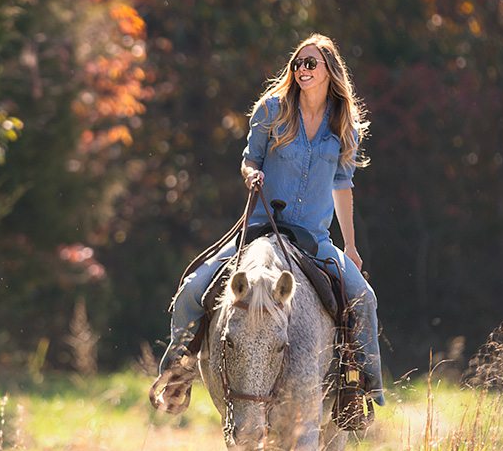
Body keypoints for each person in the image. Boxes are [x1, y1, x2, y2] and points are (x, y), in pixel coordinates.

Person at [159, 34, 383, 407]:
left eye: (310, 63)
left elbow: (343, 186)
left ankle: (359, 390)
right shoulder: (271, 110)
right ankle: (177, 374)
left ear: (330, 69)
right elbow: (251, 158)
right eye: (297, 63)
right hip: (261, 230)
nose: (301, 70)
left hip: (313, 239)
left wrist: (351, 246)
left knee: (364, 298)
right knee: (191, 288)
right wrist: (251, 174)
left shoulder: (344, 126)